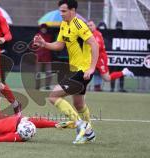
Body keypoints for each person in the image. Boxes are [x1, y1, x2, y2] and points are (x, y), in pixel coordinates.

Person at [34, 0, 98, 144]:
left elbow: (94, 44)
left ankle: (81, 126)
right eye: (60, 11)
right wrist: (44, 44)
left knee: (53, 96)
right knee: (79, 105)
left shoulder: (79, 25)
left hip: (83, 70)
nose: (60, 13)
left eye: (63, 11)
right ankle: (89, 133)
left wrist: (92, 67)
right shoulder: (64, 24)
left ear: (72, 10)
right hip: (75, 70)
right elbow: (59, 45)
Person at [87, 20, 134, 91]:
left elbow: (97, 47)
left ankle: (124, 72)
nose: (89, 27)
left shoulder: (97, 34)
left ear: (94, 26)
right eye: (88, 26)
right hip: (92, 58)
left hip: (100, 58)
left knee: (107, 78)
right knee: (83, 71)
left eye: (91, 25)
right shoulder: (87, 34)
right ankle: (78, 86)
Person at [35, 24, 53, 90]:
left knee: (49, 72)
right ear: (40, 29)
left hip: (47, 57)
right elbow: (34, 44)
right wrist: (37, 44)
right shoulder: (37, 35)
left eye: (45, 28)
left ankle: (47, 86)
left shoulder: (49, 36)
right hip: (39, 57)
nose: (44, 29)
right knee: (38, 73)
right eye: (42, 28)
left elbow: (51, 45)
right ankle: (37, 86)